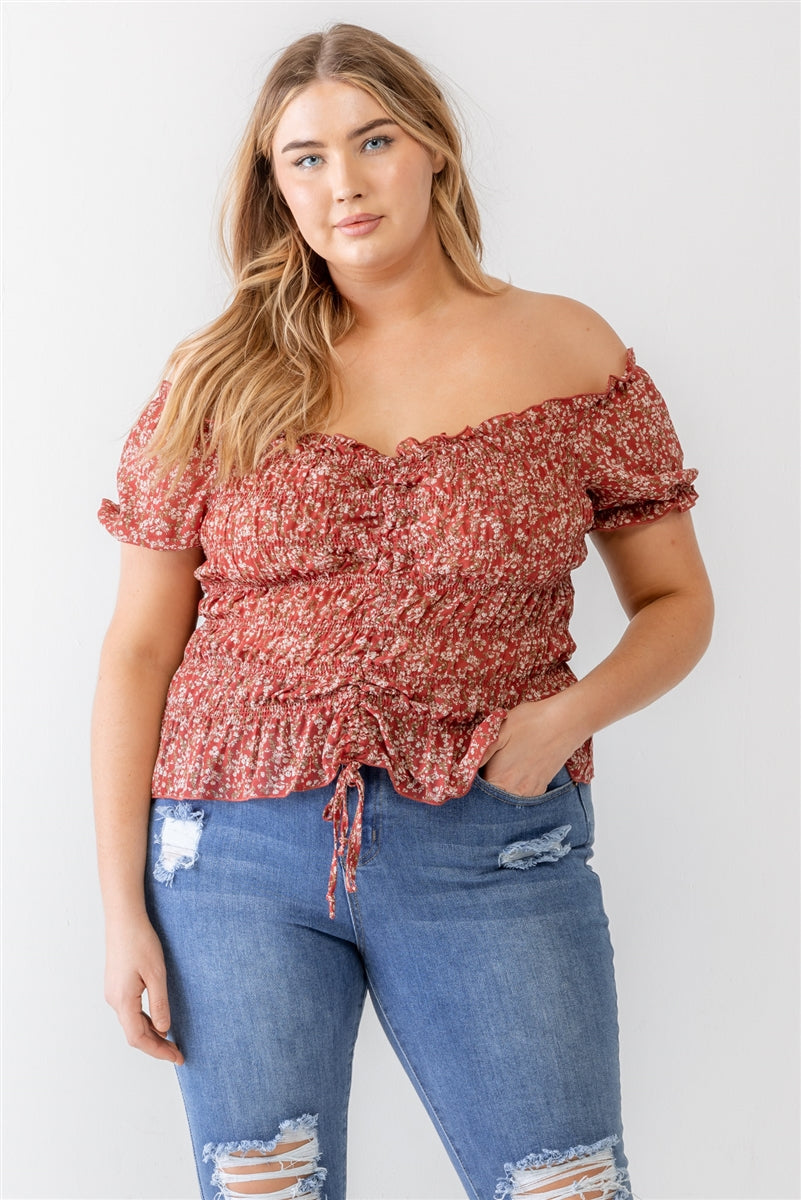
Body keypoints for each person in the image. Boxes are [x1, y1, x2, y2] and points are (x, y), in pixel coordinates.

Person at [92, 22, 713, 1200]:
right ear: (276, 187)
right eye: (307, 158)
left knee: (567, 1187)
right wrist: (122, 910)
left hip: (493, 842)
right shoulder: (216, 375)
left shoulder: (567, 351)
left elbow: (678, 602)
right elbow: (137, 648)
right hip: (232, 854)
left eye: (373, 141)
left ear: (434, 148)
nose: (346, 182)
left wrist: (565, 719)